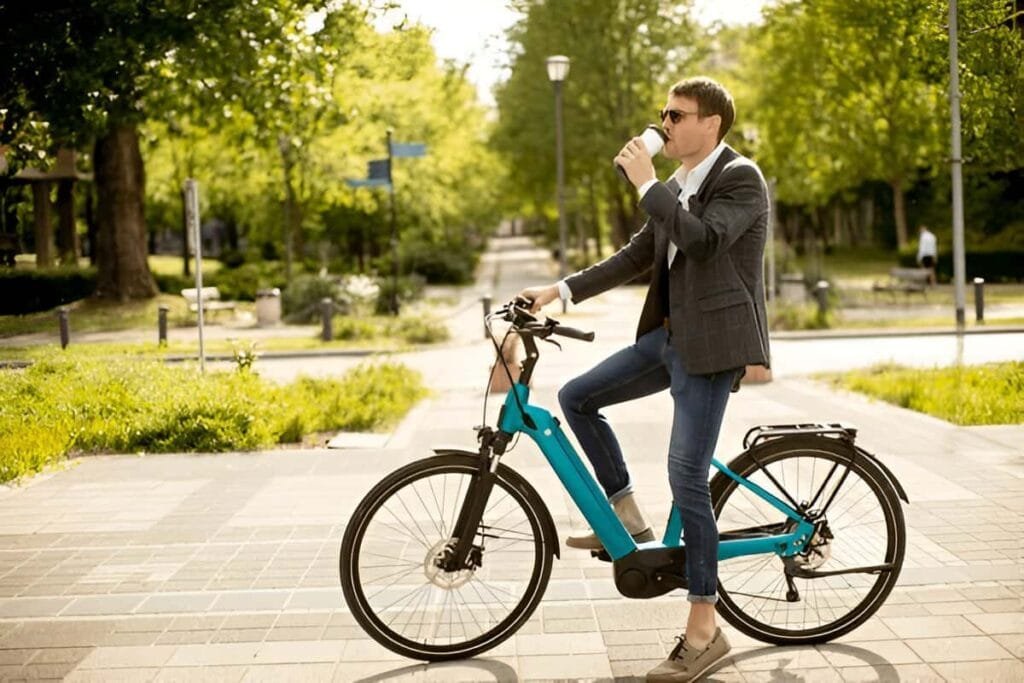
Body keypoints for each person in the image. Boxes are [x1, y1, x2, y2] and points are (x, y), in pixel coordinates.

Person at [519, 76, 770, 682]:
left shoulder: (741, 179)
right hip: (669, 339)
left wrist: (646, 184)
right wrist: (555, 292)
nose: (666, 125)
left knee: (686, 473)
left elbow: (705, 242)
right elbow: (635, 257)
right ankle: (628, 518)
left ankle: (705, 629)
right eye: (664, 115)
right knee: (577, 397)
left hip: (712, 348)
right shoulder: (680, 183)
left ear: (710, 124)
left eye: (676, 115)